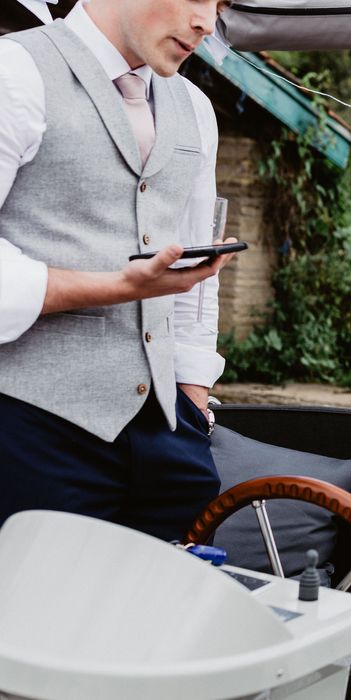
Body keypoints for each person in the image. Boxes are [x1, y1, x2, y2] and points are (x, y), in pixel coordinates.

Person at [0, 0, 238, 542]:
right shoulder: (13, 71)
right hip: (27, 425)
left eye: (220, 5)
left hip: (168, 437)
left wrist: (194, 404)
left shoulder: (196, 109)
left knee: (163, 616)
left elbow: (198, 273)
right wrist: (114, 288)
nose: (208, 22)